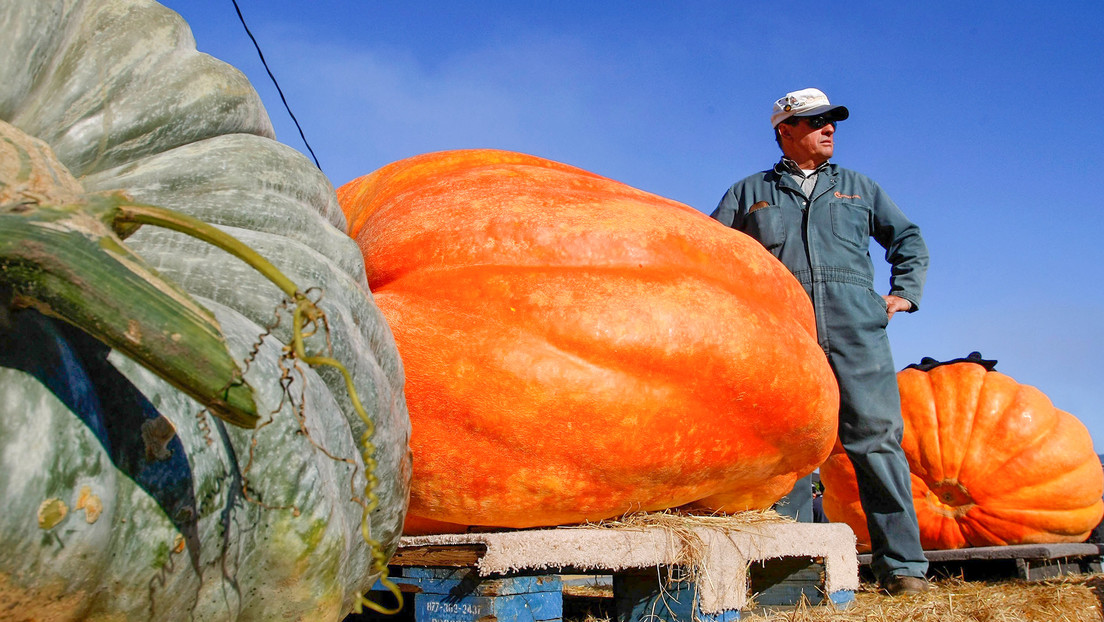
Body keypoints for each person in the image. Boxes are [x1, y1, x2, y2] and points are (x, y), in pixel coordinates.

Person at [710, 87, 930, 596]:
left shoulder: (859, 188)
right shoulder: (748, 193)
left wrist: (903, 294)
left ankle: (902, 568)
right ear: (785, 131)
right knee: (785, 445)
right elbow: (715, 254)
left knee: (876, 441)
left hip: (856, 326)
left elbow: (907, 238)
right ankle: (784, 565)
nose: (829, 128)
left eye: (832, 120)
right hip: (784, 333)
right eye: (815, 122)